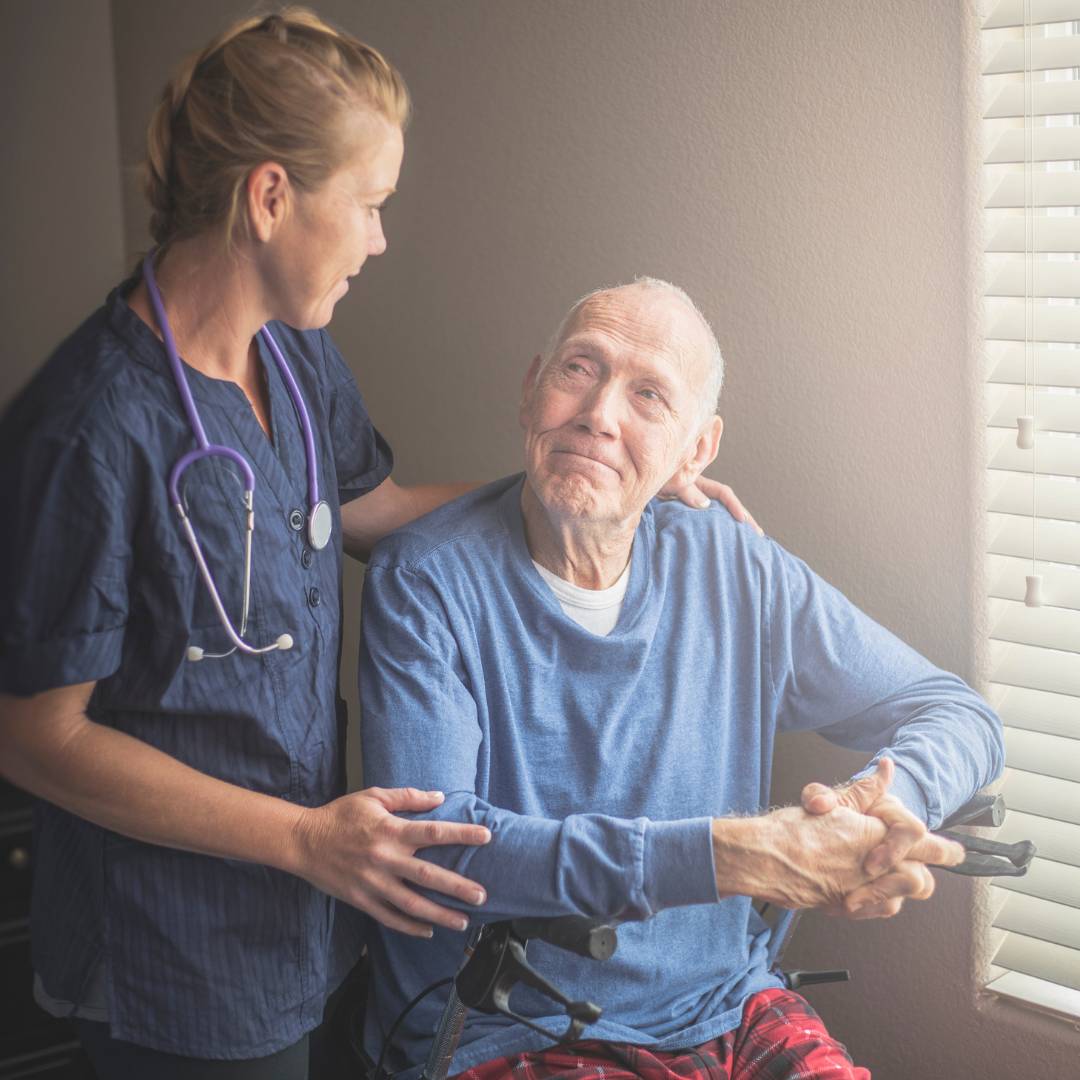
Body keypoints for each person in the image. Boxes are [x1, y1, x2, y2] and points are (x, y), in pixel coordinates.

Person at [0, 12, 750, 1078]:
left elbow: (373, 509)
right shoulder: (90, 426)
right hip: (164, 955)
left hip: (304, 924)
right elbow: (34, 738)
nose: (380, 239)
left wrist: (595, 477)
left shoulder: (297, 358)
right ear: (269, 198)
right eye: (370, 204)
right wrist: (303, 840)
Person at [358, 278, 1005, 1080]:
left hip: (726, 1004)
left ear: (697, 449)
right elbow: (437, 855)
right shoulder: (425, 582)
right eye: (578, 369)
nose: (600, 412)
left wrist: (891, 798)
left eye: (650, 395)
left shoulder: (736, 570)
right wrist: (733, 856)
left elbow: (955, 712)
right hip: (510, 1027)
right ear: (531, 392)